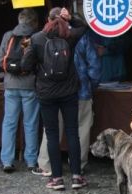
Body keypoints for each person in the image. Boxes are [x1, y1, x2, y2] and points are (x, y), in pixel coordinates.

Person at [28, 7, 86, 191]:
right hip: (69, 91)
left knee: (52, 134)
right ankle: (77, 176)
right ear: (63, 20)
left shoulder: (36, 39)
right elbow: (84, 26)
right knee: (72, 132)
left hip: (46, 92)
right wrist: (71, 18)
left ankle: (57, 178)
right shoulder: (70, 36)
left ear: (47, 19)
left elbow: (25, 65)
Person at [37, 27, 101, 176]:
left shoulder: (46, 38)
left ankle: (46, 165)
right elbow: (94, 65)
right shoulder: (84, 39)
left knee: (51, 130)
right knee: (81, 129)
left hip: (53, 91)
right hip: (81, 90)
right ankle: (78, 165)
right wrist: (91, 85)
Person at [0, 9, 42, 174]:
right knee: (30, 123)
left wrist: (12, 70)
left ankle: (7, 160)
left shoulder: (9, 35)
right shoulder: (36, 36)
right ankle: (31, 160)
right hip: (30, 85)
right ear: (34, 21)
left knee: (9, 123)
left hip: (10, 85)